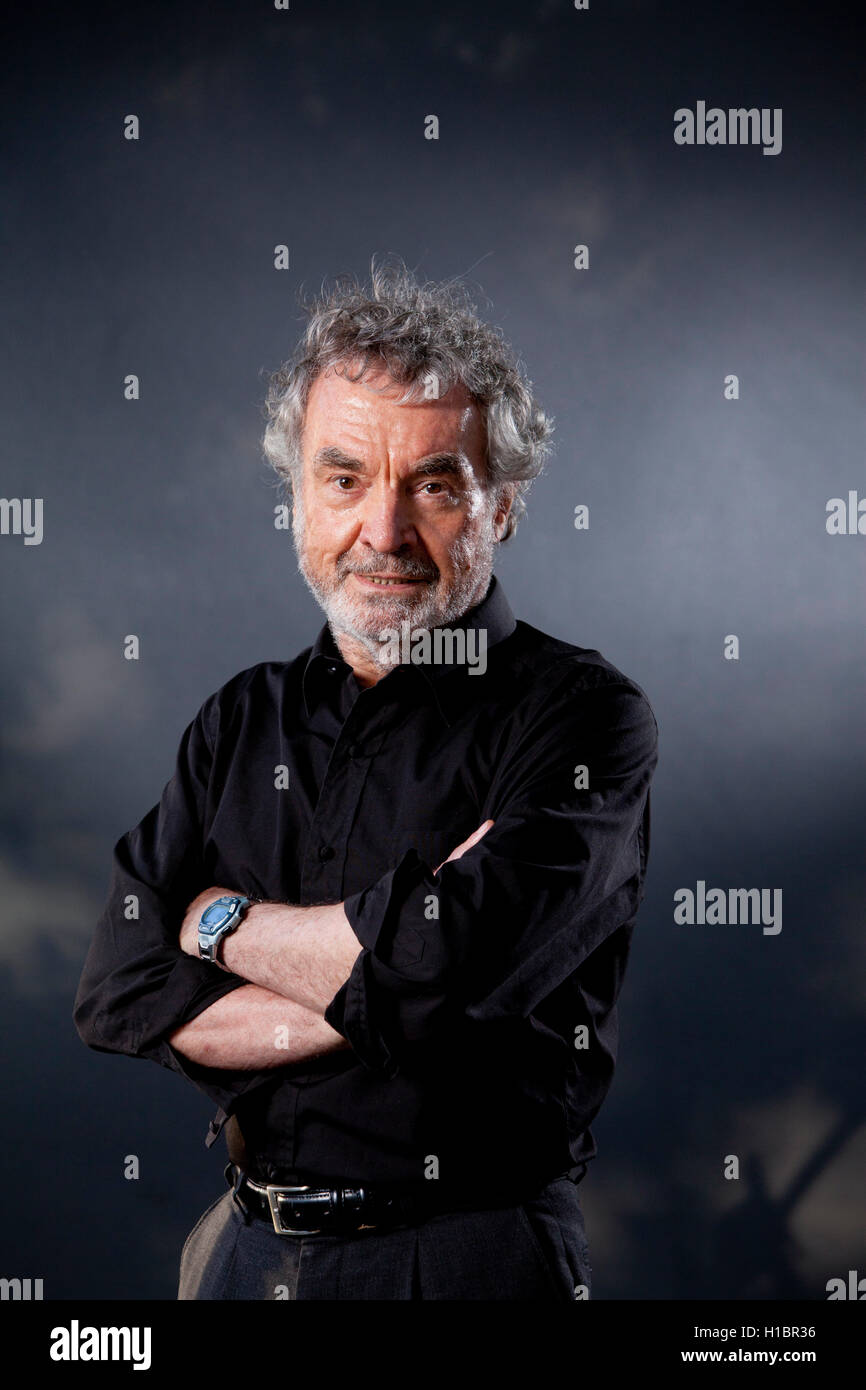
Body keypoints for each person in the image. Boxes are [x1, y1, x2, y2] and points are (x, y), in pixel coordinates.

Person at [73, 259, 659, 1301]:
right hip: (242, 1252)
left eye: (434, 485)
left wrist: (214, 922)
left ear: (504, 505)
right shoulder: (238, 718)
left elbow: (450, 972)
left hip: (465, 1257)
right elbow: (117, 988)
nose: (381, 534)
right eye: (342, 478)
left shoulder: (581, 718)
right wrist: (387, 973)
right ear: (296, 493)